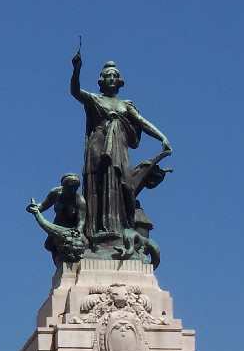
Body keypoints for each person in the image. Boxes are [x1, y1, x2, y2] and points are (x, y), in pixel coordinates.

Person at [70, 51, 171, 242]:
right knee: (98, 186)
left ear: (119, 81)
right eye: (107, 76)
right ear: (101, 80)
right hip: (97, 147)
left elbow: (141, 122)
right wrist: (76, 70)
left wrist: (162, 137)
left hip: (118, 148)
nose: (111, 78)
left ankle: (117, 228)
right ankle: (95, 232)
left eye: (114, 76)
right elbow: (75, 91)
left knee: (119, 184)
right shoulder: (94, 99)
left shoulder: (126, 105)